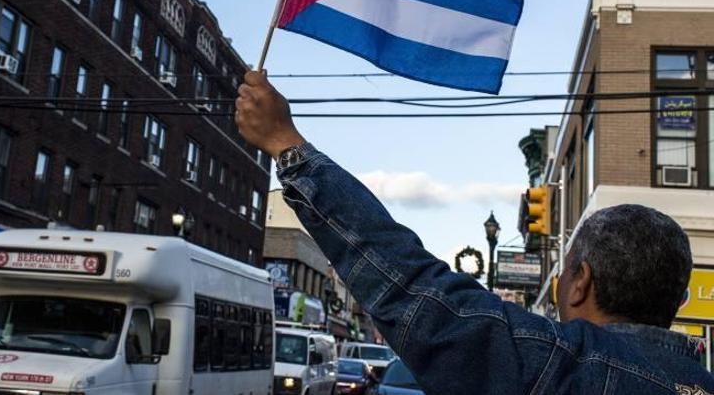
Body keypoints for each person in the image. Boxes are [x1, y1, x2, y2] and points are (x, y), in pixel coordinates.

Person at [235, 71, 714, 394]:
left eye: (565, 273)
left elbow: (411, 284)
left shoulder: (562, 365)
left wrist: (286, 145)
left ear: (581, 281)